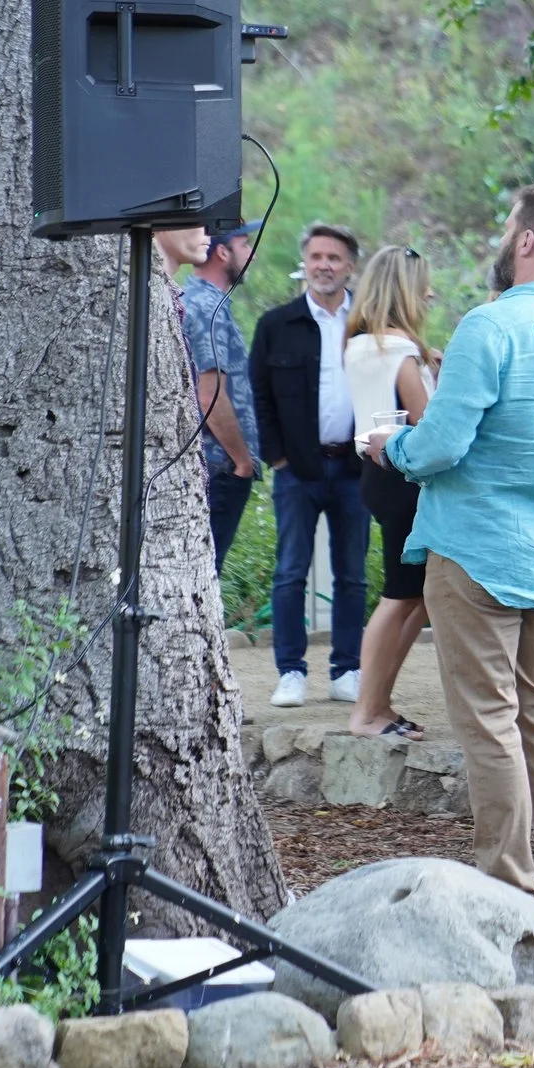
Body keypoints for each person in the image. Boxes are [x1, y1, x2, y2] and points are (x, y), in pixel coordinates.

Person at [366, 185, 534, 917]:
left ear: (528, 241)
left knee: (489, 721)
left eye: (509, 227)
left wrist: (391, 447)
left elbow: (440, 445)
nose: (503, 238)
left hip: (475, 548)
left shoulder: (489, 325)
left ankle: (510, 891)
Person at [248, 222, 371, 709]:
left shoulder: (369, 322)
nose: (324, 265)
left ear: (350, 266)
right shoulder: (276, 325)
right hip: (297, 470)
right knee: (290, 573)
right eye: (316, 256)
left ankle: (347, 670)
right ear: (305, 262)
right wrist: (277, 455)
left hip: (355, 469)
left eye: (334, 258)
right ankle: (291, 672)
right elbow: (259, 396)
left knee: (353, 574)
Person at [342, 246, 438, 742]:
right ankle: (367, 710)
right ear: (406, 289)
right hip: (404, 479)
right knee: (401, 596)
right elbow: (428, 422)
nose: (430, 294)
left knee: (416, 596)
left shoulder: (359, 345)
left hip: (375, 473)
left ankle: (379, 702)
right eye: (423, 285)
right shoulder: (402, 353)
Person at [162, 220, 262, 573]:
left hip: (214, 464)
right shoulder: (207, 308)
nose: (251, 254)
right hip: (220, 465)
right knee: (204, 571)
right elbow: (210, 395)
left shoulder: (199, 301)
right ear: (222, 252)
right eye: (245, 245)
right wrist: (242, 461)